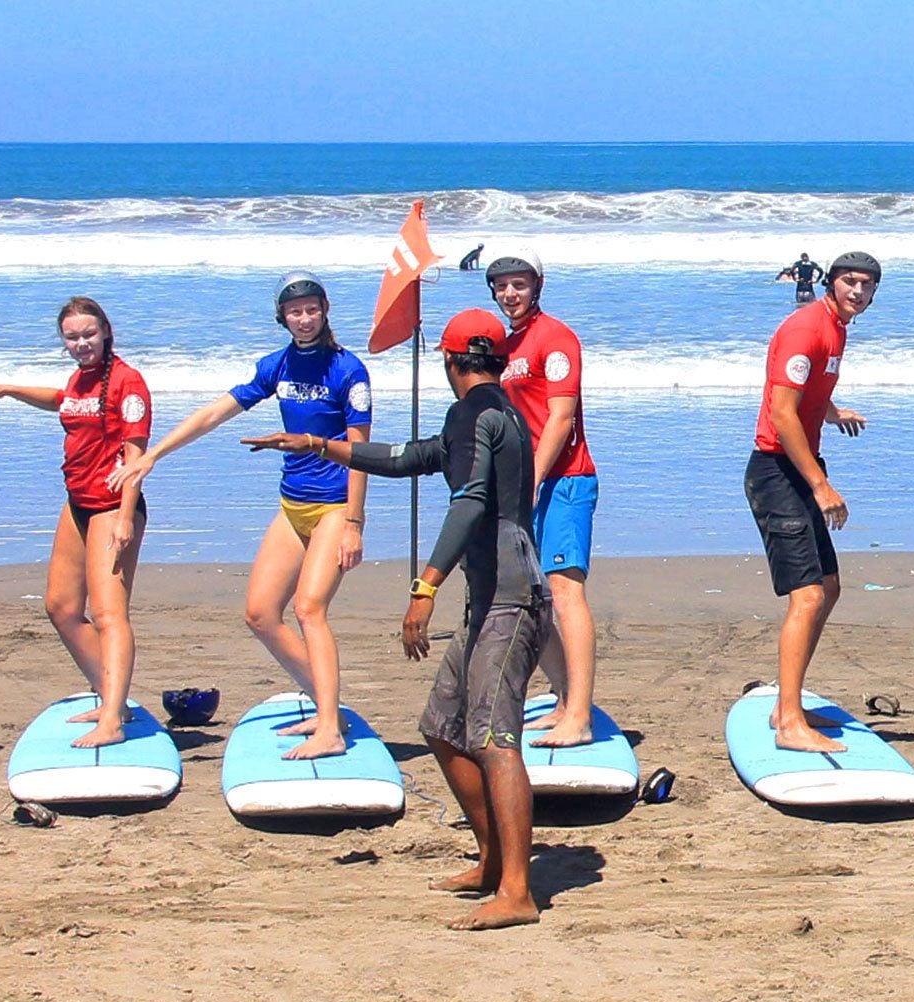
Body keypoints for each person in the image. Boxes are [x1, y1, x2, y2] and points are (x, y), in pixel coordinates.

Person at [242, 308, 549, 930]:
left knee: (496, 738)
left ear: (450, 360)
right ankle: (492, 861)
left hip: (511, 595)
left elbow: (470, 502)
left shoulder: (475, 414)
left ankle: (517, 890)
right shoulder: (496, 411)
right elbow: (409, 457)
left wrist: (424, 586)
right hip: (490, 595)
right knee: (441, 724)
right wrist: (319, 444)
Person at [109, 272, 370, 760]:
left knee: (309, 608)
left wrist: (355, 523)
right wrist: (154, 454)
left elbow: (361, 450)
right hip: (293, 504)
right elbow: (216, 412)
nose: (305, 318)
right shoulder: (277, 366)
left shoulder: (347, 370)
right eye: (295, 311)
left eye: (312, 309)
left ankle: (331, 727)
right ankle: (326, 703)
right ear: (283, 318)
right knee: (259, 614)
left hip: (336, 505)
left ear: (325, 310)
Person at [0, 297, 150, 748]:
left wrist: (126, 517)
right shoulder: (81, 379)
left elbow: (136, 456)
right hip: (77, 503)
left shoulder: (128, 382)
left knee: (109, 615)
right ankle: (111, 696)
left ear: (105, 330)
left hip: (112, 508)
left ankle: (112, 718)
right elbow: (64, 402)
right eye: (72, 337)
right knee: (61, 608)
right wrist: (11, 390)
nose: (82, 343)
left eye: (89, 334)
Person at [743, 251, 881, 753]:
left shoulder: (836, 329)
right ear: (831, 282)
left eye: (867, 285)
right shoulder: (808, 329)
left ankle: (787, 705)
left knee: (828, 586)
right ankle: (789, 724)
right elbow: (781, 414)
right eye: (849, 282)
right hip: (777, 471)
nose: (857, 292)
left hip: (796, 468)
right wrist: (820, 485)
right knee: (808, 596)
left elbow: (803, 398)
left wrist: (831, 410)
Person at [486, 247, 598, 748]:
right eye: (502, 285)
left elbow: (560, 416)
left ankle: (580, 714)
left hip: (565, 480)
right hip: (525, 483)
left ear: (538, 285)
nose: (511, 293)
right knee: (540, 598)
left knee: (566, 592)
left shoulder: (556, 339)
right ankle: (562, 698)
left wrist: (534, 478)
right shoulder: (508, 345)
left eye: (520, 283)